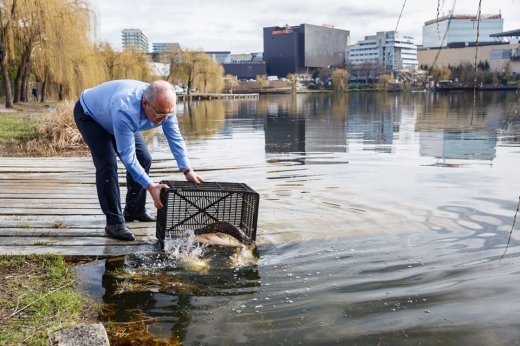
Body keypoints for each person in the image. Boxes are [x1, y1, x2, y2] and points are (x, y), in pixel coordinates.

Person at [73, 80, 204, 241]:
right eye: (160, 114)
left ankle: (135, 209)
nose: (165, 118)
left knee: (144, 158)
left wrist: (187, 170)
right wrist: (151, 186)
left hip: (117, 117)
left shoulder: (166, 107)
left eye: (168, 113)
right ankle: (114, 222)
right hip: (91, 117)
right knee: (107, 163)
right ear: (144, 103)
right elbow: (128, 156)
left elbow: (175, 137)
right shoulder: (125, 108)